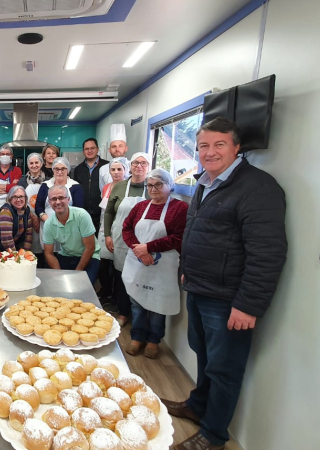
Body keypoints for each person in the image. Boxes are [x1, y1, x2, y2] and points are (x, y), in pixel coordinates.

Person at [164, 117, 287, 450]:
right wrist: (186, 271)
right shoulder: (205, 183)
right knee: (205, 356)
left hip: (229, 298)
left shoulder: (257, 187)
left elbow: (267, 253)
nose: (210, 152)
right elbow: (196, 232)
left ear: (236, 147)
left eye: (219, 145)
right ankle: (197, 406)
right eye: (203, 145)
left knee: (225, 370)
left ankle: (213, 435)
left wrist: (248, 305)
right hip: (201, 289)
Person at [120, 168, 188, 359]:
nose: (153, 189)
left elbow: (179, 237)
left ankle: (153, 340)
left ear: (169, 185)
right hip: (138, 261)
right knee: (137, 302)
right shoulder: (141, 207)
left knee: (158, 304)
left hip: (162, 266)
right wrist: (138, 250)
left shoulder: (180, 208)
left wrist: (148, 247)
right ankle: (137, 337)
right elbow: (127, 229)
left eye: (159, 185)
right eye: (150, 185)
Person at [104, 152, 151, 325]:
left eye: (143, 163)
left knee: (140, 277)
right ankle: (123, 312)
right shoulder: (119, 186)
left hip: (144, 240)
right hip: (120, 238)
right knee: (121, 276)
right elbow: (109, 211)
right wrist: (108, 235)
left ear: (149, 166)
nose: (139, 166)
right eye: (135, 163)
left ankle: (139, 316)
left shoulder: (152, 186)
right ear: (130, 166)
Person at [42, 185, 101, 284]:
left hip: (89, 256)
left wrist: (77, 273)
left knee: (82, 286)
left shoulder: (82, 215)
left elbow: (90, 248)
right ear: (49, 202)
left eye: (61, 198)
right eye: (53, 199)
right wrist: (59, 274)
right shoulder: (48, 223)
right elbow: (48, 253)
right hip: (66, 254)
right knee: (57, 284)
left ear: (68, 199)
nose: (57, 202)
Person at [96, 157, 129, 314]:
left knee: (117, 267)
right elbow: (106, 212)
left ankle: (117, 298)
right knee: (102, 265)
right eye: (113, 169)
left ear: (125, 170)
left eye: (119, 169)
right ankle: (106, 291)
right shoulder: (107, 187)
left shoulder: (128, 188)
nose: (116, 172)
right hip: (104, 230)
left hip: (120, 232)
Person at [35, 157, 84, 254]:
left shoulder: (75, 186)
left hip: (68, 228)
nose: (60, 172)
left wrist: (62, 223)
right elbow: (39, 207)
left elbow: (79, 210)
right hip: (47, 226)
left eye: (63, 169)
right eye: (57, 169)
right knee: (49, 255)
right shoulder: (45, 185)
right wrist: (49, 221)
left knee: (66, 257)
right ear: (53, 170)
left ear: (68, 170)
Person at [0, 186, 34, 257]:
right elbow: (7, 240)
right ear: (9, 199)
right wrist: (17, 258)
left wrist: (25, 255)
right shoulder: (6, 212)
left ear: (25, 198)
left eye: (21, 196)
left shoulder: (27, 211)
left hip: (7, 248)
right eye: (14, 197)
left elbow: (29, 235)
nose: (18, 200)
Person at [72, 137, 109, 234]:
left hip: (101, 211)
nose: (89, 151)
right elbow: (76, 191)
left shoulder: (107, 166)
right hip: (83, 212)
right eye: (86, 149)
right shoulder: (78, 169)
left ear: (97, 149)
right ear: (83, 151)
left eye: (92, 148)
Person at [18, 153, 47, 262]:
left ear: (41, 163)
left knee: (44, 244)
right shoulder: (22, 181)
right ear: (28, 165)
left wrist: (41, 216)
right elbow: (19, 200)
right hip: (27, 217)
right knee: (28, 243)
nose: (34, 165)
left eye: (36, 162)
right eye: (31, 163)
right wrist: (32, 216)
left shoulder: (48, 180)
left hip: (44, 217)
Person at [99, 124, 129, 191]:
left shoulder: (133, 167)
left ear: (126, 148)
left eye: (120, 146)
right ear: (109, 150)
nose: (117, 149)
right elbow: (103, 191)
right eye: (114, 146)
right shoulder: (103, 169)